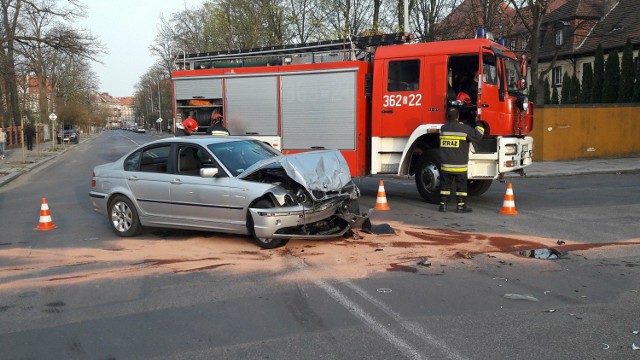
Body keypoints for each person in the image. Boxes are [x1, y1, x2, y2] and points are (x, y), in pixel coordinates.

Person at [438, 107, 484, 213]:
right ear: (458, 117)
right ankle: (460, 207)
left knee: (445, 185)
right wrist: (479, 123)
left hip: (446, 165)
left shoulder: (443, 129)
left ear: (447, 117)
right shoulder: (464, 129)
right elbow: (478, 136)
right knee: (461, 187)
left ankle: (443, 206)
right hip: (460, 166)